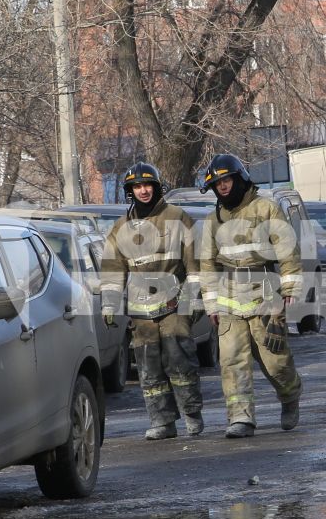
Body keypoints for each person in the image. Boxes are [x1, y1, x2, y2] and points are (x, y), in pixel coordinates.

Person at [196, 153, 303, 438]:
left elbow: (287, 248)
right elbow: (206, 264)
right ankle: (240, 418)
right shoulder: (212, 221)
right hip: (229, 300)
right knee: (232, 361)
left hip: (265, 296)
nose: (223, 187)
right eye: (218, 184)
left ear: (239, 178)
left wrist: (290, 286)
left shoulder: (265, 208)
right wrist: (211, 303)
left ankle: (290, 396)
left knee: (274, 361)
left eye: (227, 180)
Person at [99, 162, 203, 440]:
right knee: (149, 367)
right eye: (137, 186)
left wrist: (192, 300)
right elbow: (112, 269)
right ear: (130, 191)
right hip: (141, 310)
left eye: (148, 185)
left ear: (157, 187)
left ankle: (192, 415)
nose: (143, 191)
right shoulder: (121, 227)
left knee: (180, 361)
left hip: (174, 303)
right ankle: (162, 421)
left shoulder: (177, 217)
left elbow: (195, 263)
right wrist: (109, 304)